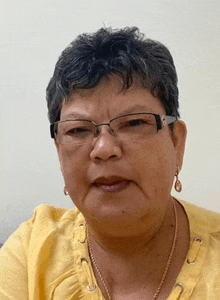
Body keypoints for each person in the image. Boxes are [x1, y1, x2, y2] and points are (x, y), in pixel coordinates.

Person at [0, 27, 220, 300]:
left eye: (134, 123)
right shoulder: (32, 251)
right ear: (59, 150)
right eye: (78, 130)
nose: (104, 149)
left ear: (176, 142)